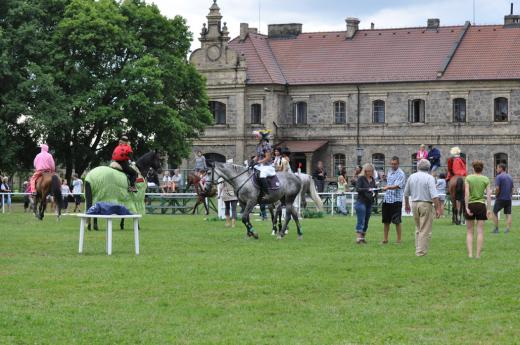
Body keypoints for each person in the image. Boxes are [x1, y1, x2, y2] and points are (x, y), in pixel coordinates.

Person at [404, 159, 443, 256]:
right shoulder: (429, 178)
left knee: (418, 228)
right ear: (429, 168)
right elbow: (434, 195)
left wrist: (407, 205)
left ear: (418, 167)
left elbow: (406, 193)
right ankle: (421, 252)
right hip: (425, 204)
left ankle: (418, 248)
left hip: (414, 203)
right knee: (425, 229)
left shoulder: (411, 177)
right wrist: (438, 208)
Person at [464, 160, 492, 259]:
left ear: (473, 168)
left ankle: (470, 254)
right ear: (482, 168)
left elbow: (467, 194)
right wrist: (489, 209)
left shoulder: (468, 178)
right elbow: (488, 195)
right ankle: (478, 255)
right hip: (481, 205)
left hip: (471, 205)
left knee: (469, 231)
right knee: (480, 231)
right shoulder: (486, 179)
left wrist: (466, 207)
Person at [381, 157, 406, 244]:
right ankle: (385, 239)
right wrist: (385, 178)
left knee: (397, 221)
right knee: (386, 221)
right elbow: (389, 182)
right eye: (392, 163)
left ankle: (399, 240)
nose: (393, 165)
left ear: (398, 164)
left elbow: (397, 186)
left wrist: (387, 187)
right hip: (387, 199)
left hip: (396, 200)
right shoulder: (389, 171)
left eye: (395, 164)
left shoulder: (401, 174)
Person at [354, 163, 378, 244]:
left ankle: (363, 238)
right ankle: (358, 238)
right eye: (367, 171)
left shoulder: (373, 180)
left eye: (371, 171)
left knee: (366, 221)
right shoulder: (361, 178)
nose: (369, 173)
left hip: (369, 202)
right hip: (361, 202)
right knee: (361, 220)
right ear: (365, 171)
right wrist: (367, 189)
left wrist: (376, 192)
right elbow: (358, 189)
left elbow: (374, 189)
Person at [252, 129, 275, 198]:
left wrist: (258, 162)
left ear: (262, 137)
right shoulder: (258, 145)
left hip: (267, 166)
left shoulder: (267, 145)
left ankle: (266, 192)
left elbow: (267, 157)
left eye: (257, 135)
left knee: (262, 175)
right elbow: (257, 156)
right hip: (260, 165)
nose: (256, 137)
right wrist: (252, 161)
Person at [492, 163, 514, 234]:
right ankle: (507, 230)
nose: (496, 169)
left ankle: (496, 229)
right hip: (508, 198)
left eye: (497, 168)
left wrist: (496, 194)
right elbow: (512, 188)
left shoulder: (499, 177)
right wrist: (510, 195)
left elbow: (497, 188)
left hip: (500, 198)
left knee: (494, 212)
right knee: (508, 214)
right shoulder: (510, 177)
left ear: (501, 168)